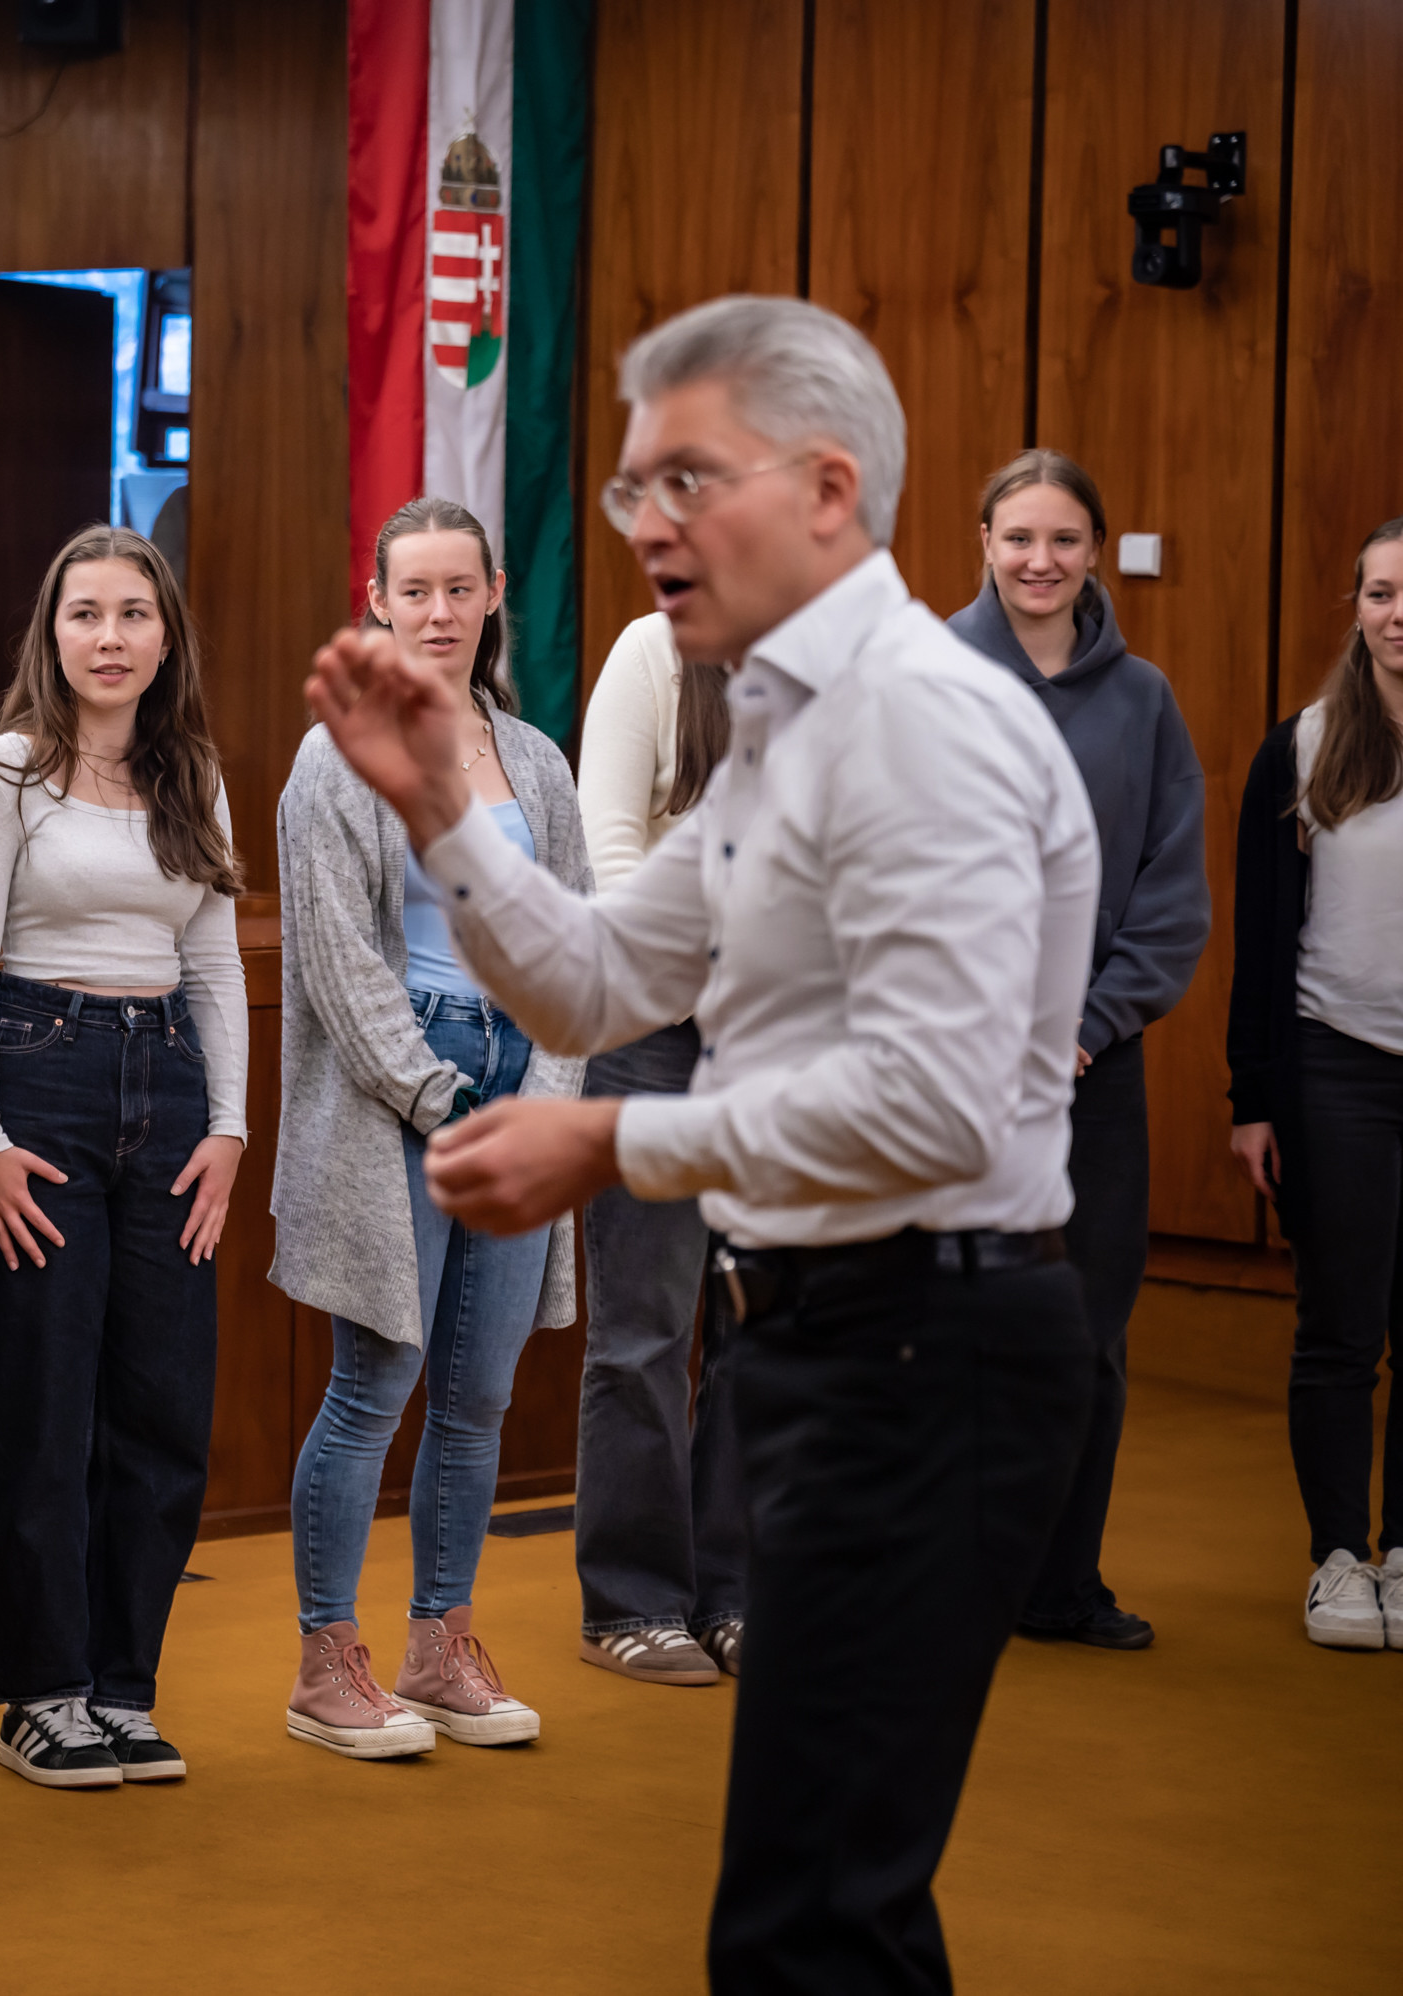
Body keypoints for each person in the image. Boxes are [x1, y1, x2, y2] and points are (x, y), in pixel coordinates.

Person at [306, 295, 1098, 1993]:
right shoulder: (788, 723)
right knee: (816, 1901)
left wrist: (612, 1140)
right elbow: (599, 976)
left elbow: (935, 1102)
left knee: (818, 1914)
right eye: (630, 489)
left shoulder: (921, 725)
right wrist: (441, 806)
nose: (647, 525)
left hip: (934, 1343)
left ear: (827, 490)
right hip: (835, 1337)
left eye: (687, 479)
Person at [273, 498, 588, 1760]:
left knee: (479, 1394)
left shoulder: (539, 762)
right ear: (379, 600)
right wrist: (435, 1096)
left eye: (462, 589)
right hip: (402, 1088)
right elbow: (339, 963)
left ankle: (440, 1644)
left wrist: (546, 1099)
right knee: (376, 1382)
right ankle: (325, 1662)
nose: (441, 613)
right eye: (417, 591)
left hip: (521, 1078)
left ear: (494, 595)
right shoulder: (334, 758)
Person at [0, 524, 247, 1790]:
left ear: (165, 637)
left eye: (133, 614)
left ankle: (123, 1687)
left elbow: (215, 962)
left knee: (163, 1409)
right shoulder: (5, 770)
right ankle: (43, 1693)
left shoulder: (191, 773)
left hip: (169, 1090)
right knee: (39, 1407)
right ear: (50, 634)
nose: (109, 637)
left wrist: (229, 1127)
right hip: (39, 1081)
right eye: (85, 614)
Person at [947, 449, 1208, 1652]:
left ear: (1096, 550)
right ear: (985, 544)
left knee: (1087, 1333)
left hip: (1093, 1072)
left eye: (1063, 539)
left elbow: (1172, 892)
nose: (1040, 560)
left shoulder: (1143, 700)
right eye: (1019, 537)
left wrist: (1088, 1026)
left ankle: (1061, 1585)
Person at [1229, 516, 1403, 1651]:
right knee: (1341, 1326)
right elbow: (1260, 938)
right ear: (1358, 607)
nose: (1400, 615)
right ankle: (1340, 1558)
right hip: (1336, 1065)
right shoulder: (1305, 747)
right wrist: (1253, 1099)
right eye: (1382, 593)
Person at [569, 608, 748, 1687]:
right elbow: (612, 855)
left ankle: (734, 1595)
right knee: (644, 1331)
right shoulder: (652, 650)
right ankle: (630, 1602)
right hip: (653, 1038)